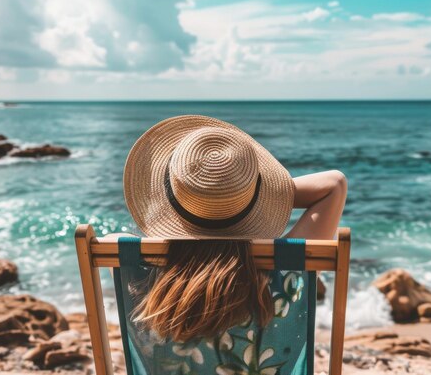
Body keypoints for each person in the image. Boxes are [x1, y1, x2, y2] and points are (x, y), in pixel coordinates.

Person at [123, 115, 347, 343]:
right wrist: (247, 194)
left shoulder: (143, 281)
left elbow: (119, 238)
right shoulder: (281, 280)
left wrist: (200, 196)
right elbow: (334, 184)